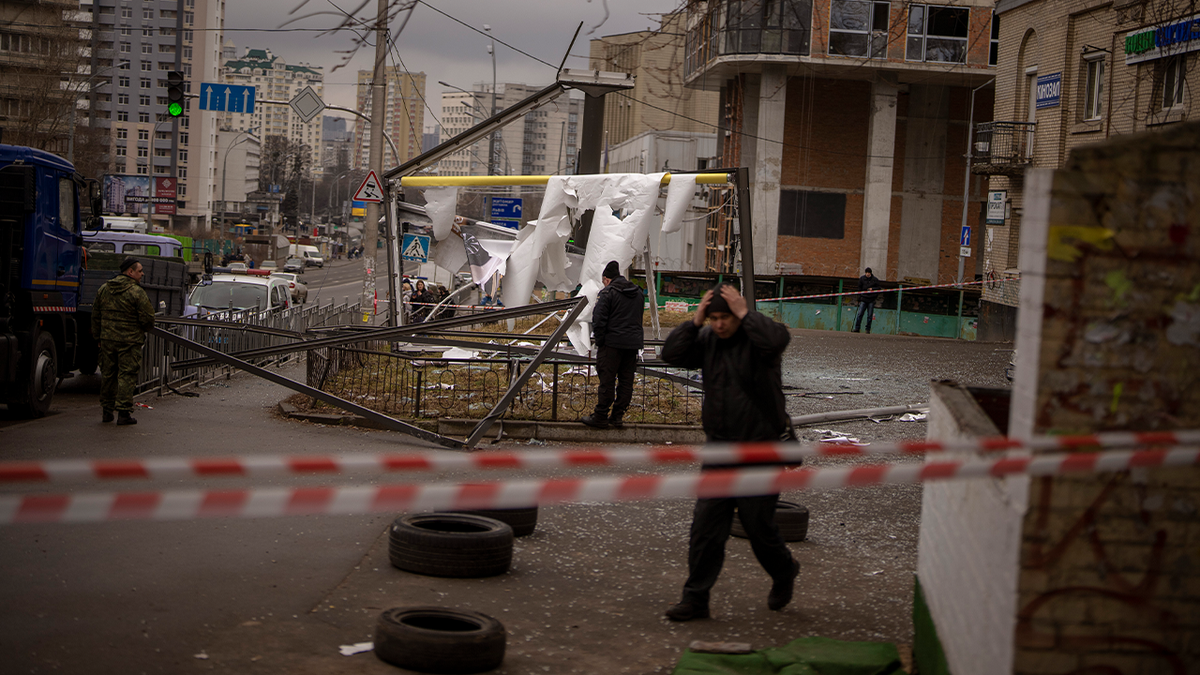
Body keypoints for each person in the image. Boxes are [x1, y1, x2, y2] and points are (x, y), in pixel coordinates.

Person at [659, 283, 799, 621]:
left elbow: (779, 339)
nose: (720, 325)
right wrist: (694, 323)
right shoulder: (707, 340)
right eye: (715, 318)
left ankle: (784, 571)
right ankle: (695, 599)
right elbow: (671, 355)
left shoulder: (759, 341)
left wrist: (746, 314)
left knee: (758, 528)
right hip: (719, 451)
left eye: (726, 318)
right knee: (705, 529)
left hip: (759, 452)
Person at [581, 260, 645, 429]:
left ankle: (601, 415)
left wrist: (601, 342)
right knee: (626, 382)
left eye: (603, 281)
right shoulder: (638, 293)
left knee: (607, 381)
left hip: (612, 345)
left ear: (607, 279)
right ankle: (617, 416)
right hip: (632, 345)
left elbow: (598, 320)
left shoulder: (608, 293)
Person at [92, 257, 155, 425]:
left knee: (108, 374)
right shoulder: (136, 292)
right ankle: (123, 413)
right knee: (127, 375)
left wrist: (98, 337)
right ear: (130, 272)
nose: (142, 274)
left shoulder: (104, 289)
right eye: (140, 271)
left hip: (107, 340)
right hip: (130, 341)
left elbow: (96, 316)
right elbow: (148, 318)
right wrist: (141, 329)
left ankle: (107, 411)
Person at [852, 267, 881, 333]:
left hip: (871, 299)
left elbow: (879, 288)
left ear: (870, 273)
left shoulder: (875, 280)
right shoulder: (862, 279)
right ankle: (857, 328)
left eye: (868, 273)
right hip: (863, 298)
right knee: (859, 314)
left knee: (869, 316)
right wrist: (859, 298)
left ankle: (867, 329)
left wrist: (873, 289)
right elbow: (859, 288)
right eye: (866, 273)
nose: (867, 274)